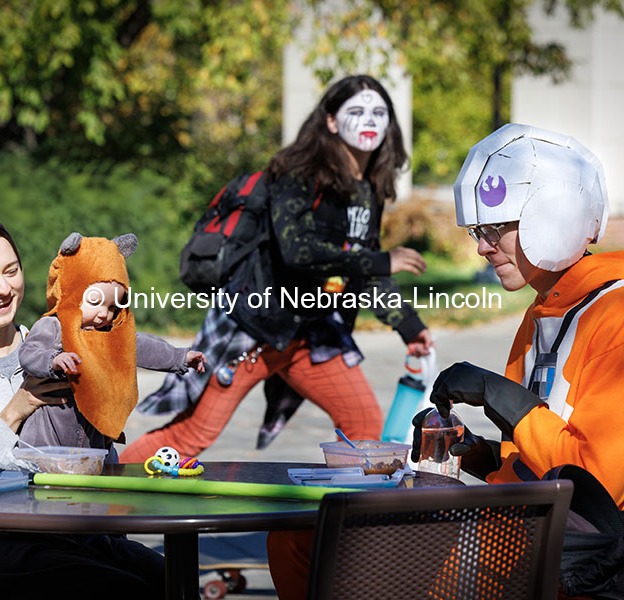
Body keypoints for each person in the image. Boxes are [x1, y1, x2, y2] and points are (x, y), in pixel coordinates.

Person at [266, 123, 624, 598]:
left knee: (319, 546)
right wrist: (475, 450)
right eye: (477, 232)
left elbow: (594, 489)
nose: (482, 248)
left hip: (570, 559)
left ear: (556, 215)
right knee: (299, 537)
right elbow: (534, 458)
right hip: (516, 532)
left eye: (494, 230)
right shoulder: (549, 310)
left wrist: (503, 398)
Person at [121, 74, 433, 463]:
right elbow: (296, 252)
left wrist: (409, 326)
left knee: (363, 424)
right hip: (255, 328)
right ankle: (98, 500)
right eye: (356, 111)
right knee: (190, 436)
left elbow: (363, 267)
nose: (369, 119)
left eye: (379, 112)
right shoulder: (298, 173)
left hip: (313, 335)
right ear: (332, 122)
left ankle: (334, 525)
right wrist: (382, 259)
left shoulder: (368, 189)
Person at [0, 210, 166, 598]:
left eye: (11, 271)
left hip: (79, 532)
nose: (3, 289)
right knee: (122, 589)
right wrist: (15, 409)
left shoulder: (60, 345)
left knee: (169, 575)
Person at [17, 231, 205, 461]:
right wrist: (52, 360)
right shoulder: (53, 326)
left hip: (90, 440)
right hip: (46, 440)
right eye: (95, 303)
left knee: (93, 478)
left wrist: (180, 358)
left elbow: (141, 346)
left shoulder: (110, 333)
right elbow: (28, 353)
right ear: (72, 292)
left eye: (112, 307)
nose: (103, 314)